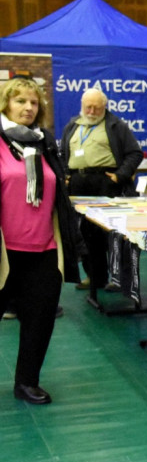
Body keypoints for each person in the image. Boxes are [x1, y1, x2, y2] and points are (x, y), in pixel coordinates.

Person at [0, 77, 80, 404]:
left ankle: (27, 382)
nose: (28, 108)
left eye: (34, 103)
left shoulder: (45, 142)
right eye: (21, 101)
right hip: (3, 251)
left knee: (40, 319)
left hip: (44, 249)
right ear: (6, 105)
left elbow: (58, 190)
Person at [60, 87, 143, 290]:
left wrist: (119, 176)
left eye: (97, 108)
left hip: (106, 184)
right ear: (82, 106)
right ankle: (95, 277)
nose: (91, 111)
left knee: (112, 234)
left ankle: (119, 279)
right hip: (79, 184)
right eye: (88, 107)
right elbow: (62, 154)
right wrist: (65, 175)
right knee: (86, 233)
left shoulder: (117, 126)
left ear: (104, 107)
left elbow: (135, 153)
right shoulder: (72, 125)